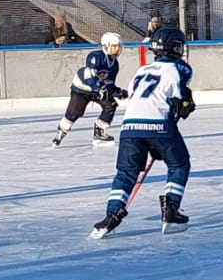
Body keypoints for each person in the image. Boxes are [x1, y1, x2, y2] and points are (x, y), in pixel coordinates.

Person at [90, 25, 194, 239]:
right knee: (179, 164)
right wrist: (185, 106)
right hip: (159, 124)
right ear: (174, 47)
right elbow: (182, 101)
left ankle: (112, 214)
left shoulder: (142, 70)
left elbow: (136, 96)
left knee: (126, 173)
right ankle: (171, 210)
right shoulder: (180, 68)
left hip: (130, 127)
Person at [53, 31, 124, 146]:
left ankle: (99, 132)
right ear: (106, 46)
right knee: (74, 113)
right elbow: (90, 77)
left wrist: (116, 91)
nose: (118, 49)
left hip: (97, 90)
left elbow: (109, 82)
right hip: (82, 88)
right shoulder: (95, 57)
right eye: (115, 46)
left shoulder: (114, 64)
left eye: (119, 46)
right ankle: (62, 131)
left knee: (111, 105)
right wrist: (98, 88)